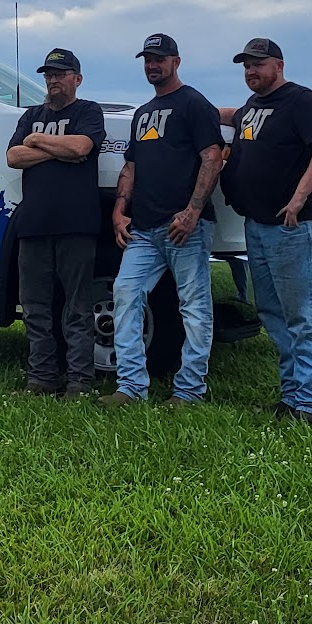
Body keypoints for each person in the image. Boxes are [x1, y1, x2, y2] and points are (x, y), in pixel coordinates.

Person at [220, 37, 312, 423]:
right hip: (257, 226)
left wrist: (299, 196)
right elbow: (231, 115)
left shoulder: (301, 100)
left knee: (301, 315)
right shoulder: (253, 107)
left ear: (279, 65)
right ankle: (293, 397)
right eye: (246, 66)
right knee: (273, 313)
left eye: (258, 64)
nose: (251, 71)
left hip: (293, 227)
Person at [105, 33, 224, 409]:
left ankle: (188, 391)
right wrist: (119, 209)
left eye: (159, 58)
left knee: (194, 307)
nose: (152, 65)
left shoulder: (194, 104)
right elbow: (131, 165)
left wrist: (192, 211)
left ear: (176, 61)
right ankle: (130, 387)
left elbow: (212, 157)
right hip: (143, 229)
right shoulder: (142, 114)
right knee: (125, 294)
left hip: (184, 228)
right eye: (147, 60)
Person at [6, 47, 107, 397]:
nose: (53, 80)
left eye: (60, 74)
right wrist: (55, 150)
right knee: (35, 308)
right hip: (33, 224)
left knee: (77, 307)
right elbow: (13, 156)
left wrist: (37, 140)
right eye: (49, 75)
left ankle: (79, 381)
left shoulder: (88, 111)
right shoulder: (31, 114)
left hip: (76, 224)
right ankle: (41, 378)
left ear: (77, 79)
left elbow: (81, 148)